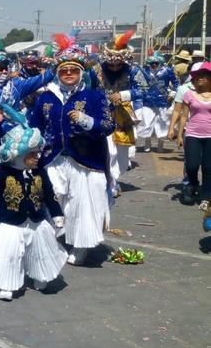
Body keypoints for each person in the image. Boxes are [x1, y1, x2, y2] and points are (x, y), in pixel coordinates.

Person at [29, 37, 115, 265]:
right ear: (57, 73)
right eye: (64, 70)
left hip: (86, 159)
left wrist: (86, 120)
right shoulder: (46, 97)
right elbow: (34, 125)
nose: (68, 73)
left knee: (82, 203)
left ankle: (81, 246)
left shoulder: (95, 96)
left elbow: (107, 126)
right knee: (52, 199)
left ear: (80, 73)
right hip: (53, 158)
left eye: (73, 70)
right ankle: (52, 242)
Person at [0, 113, 67, 300]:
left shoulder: (40, 173)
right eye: (32, 154)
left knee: (41, 250)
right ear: (19, 156)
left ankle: (41, 276)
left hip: (37, 221)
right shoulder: (3, 175)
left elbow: (49, 195)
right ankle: (6, 284)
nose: (37, 158)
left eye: (37, 153)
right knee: (8, 254)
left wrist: (57, 213)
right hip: (12, 223)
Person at [92, 31, 147, 195]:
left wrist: (124, 95)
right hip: (102, 114)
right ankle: (111, 183)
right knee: (110, 152)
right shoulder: (95, 71)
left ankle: (115, 177)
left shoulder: (133, 70)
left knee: (122, 156)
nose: (115, 67)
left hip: (123, 116)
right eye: (111, 64)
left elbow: (143, 89)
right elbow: (88, 90)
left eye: (118, 64)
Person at [175, 62, 211, 212]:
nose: (199, 79)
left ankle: (206, 196)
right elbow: (183, 116)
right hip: (193, 134)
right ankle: (192, 184)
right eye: (196, 77)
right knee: (192, 165)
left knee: (209, 167)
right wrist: (179, 134)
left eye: (203, 76)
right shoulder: (189, 94)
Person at [138, 53, 178, 152]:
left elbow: (176, 83)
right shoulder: (144, 71)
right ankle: (147, 144)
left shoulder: (167, 71)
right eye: (151, 63)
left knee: (163, 124)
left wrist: (172, 94)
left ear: (160, 63)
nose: (154, 65)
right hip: (148, 102)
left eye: (156, 63)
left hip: (163, 101)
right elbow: (138, 85)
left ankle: (161, 145)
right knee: (147, 123)